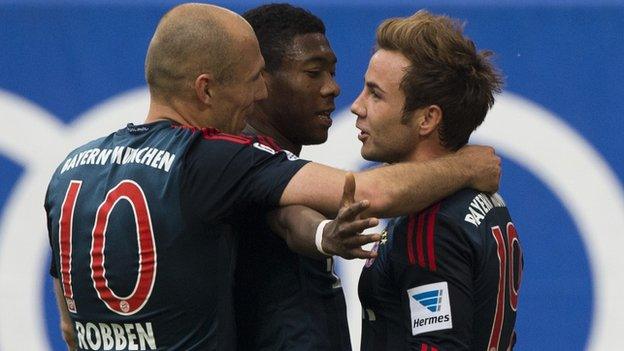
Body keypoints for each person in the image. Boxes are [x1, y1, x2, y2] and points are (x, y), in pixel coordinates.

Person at [45, 3, 502, 351]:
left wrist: (323, 234)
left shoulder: (72, 169)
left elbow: (70, 321)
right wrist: (469, 164)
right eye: (254, 77)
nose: (341, 93)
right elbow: (349, 196)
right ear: (206, 87)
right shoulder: (218, 159)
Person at [355, 10, 524, 350]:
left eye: (375, 94)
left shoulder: (430, 226)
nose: (357, 106)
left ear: (427, 119)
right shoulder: (482, 199)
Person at [234, 4, 350, 350]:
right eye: (314, 73)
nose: (333, 88)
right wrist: (324, 234)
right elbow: (288, 218)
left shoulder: (274, 163)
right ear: (260, 79)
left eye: (332, 72)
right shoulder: (238, 160)